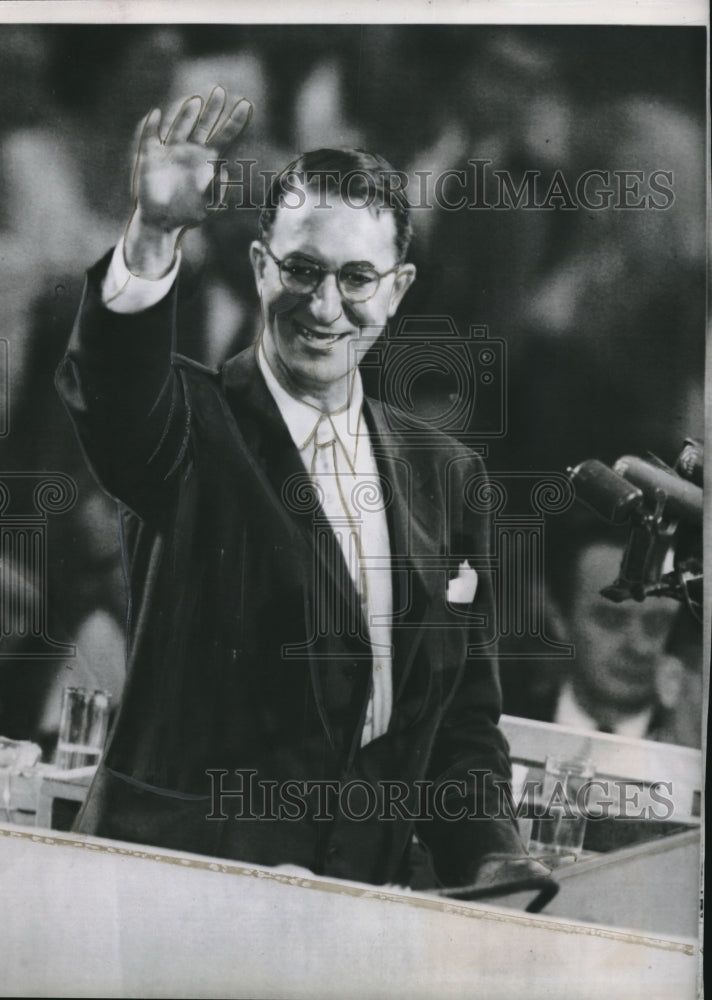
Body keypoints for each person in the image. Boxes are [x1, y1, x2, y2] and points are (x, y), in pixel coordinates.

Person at [56, 86, 531, 888]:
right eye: (302, 271)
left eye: (356, 279)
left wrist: (490, 854)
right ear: (259, 265)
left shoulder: (448, 474)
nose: (324, 306)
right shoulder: (191, 424)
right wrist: (153, 237)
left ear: (398, 288)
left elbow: (461, 722)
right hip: (175, 895)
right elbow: (111, 393)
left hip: (357, 912)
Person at [501, 534, 700, 744]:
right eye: (611, 619)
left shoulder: (694, 744)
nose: (639, 647)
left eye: (657, 623)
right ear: (559, 619)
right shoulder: (498, 724)